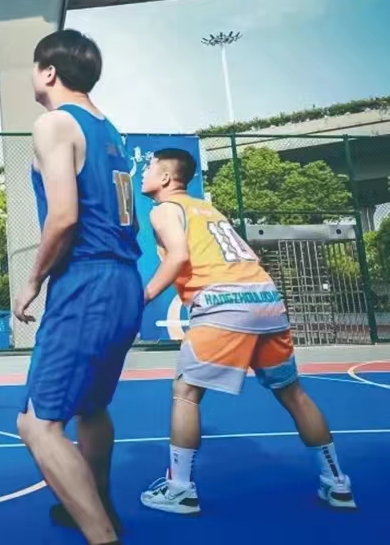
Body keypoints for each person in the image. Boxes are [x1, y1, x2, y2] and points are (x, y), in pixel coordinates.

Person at [137, 148, 356, 514]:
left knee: (186, 393)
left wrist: (141, 298)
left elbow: (178, 256)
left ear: (165, 178)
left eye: (149, 166)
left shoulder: (164, 209)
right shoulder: (207, 209)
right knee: (294, 394)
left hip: (223, 302)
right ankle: (337, 483)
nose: (143, 172)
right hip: (266, 299)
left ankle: (180, 490)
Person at [12, 29, 142, 545]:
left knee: (37, 425)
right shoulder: (111, 132)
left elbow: (64, 216)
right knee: (91, 408)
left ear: (48, 72)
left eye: (34, 67)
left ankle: (102, 535)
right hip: (124, 279)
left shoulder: (54, 124)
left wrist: (32, 280)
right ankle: (99, 503)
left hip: (87, 281)